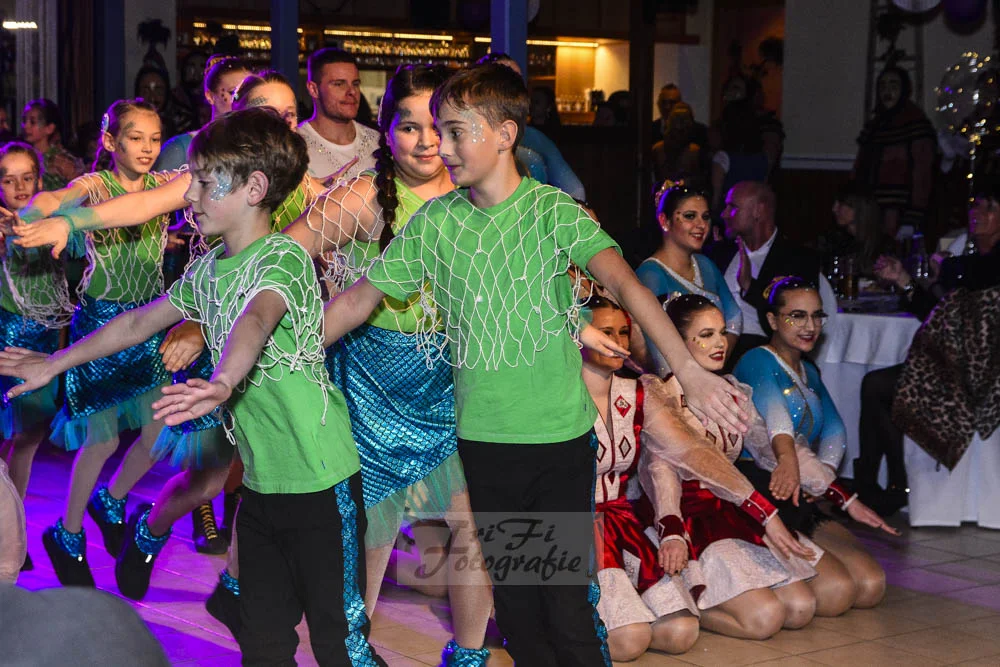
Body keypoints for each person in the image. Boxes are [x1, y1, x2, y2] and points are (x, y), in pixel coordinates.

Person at [320, 62, 749, 666]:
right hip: (484, 445)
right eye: (436, 131)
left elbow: (629, 288)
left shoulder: (552, 212)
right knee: (520, 616)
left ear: (505, 134)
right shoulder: (438, 223)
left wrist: (691, 369)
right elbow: (358, 300)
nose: (441, 146)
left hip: (556, 445)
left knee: (566, 613)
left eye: (454, 131)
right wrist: (281, 352)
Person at [0, 107, 385, 665]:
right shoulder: (208, 271)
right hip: (262, 489)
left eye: (205, 182)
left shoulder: (282, 258)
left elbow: (257, 318)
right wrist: (55, 363)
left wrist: (224, 379)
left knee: (340, 644)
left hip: (323, 485)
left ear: (254, 188)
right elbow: (137, 323)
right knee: (263, 643)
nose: (191, 194)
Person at [285, 63, 494, 664]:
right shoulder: (363, 198)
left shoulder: (477, 195)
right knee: (373, 530)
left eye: (438, 128)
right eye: (408, 127)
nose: (426, 142)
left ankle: (469, 654)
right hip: (374, 385)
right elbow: (280, 258)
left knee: (477, 523)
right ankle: (353, 648)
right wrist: (205, 317)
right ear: (386, 132)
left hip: (456, 380)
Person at [11, 99, 177, 588]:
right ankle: (67, 532)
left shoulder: (165, 187)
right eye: (135, 138)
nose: (147, 148)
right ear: (110, 141)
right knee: (101, 439)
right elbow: (56, 198)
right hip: (102, 327)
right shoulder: (95, 186)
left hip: (149, 325)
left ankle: (112, 498)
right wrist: (28, 213)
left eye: (154, 139)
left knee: (159, 434)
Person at [734, 277, 894, 615]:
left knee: (871, 584)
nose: (810, 326)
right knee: (837, 593)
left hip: (801, 485)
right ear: (772, 320)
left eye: (816, 316)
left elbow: (835, 430)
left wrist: (822, 480)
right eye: (797, 316)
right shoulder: (756, 361)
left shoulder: (808, 371)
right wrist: (795, 466)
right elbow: (778, 422)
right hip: (763, 487)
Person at [858, 186, 1000, 514]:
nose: (977, 213)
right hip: (952, 364)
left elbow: (969, 300)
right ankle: (883, 482)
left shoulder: (979, 266)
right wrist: (903, 279)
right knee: (876, 384)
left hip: (985, 376)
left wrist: (946, 274)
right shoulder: (965, 264)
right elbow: (937, 313)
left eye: (989, 208)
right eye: (975, 206)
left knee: (880, 386)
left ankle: (892, 484)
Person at [0, 143, 73, 572]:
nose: (19, 187)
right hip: (9, 344)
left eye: (27, 177)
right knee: (9, 436)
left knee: (28, 440)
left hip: (45, 344)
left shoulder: (51, 225)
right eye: (8, 180)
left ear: (40, 181)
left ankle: (15, 531)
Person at [636, 183, 742, 375]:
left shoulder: (705, 265)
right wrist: (691, 376)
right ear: (664, 221)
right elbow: (653, 347)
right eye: (690, 216)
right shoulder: (650, 275)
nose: (701, 225)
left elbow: (735, 316)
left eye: (705, 217)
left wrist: (715, 355)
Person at [720, 181, 828, 365]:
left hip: (767, 353)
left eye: (733, 207)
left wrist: (750, 287)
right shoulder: (719, 252)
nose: (724, 214)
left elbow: (800, 317)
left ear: (758, 210)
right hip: (716, 345)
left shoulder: (799, 258)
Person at [478, 52, 587, 201]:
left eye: (518, 80)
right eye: (504, 80)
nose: (515, 87)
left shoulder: (533, 138)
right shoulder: (468, 139)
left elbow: (575, 191)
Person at [854, 66, 935, 239]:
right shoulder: (874, 126)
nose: (887, 91)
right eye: (882, 86)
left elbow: (922, 173)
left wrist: (913, 216)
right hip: (870, 209)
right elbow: (859, 168)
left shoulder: (915, 123)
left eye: (893, 85)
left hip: (901, 212)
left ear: (904, 89)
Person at [154, 56, 251, 172]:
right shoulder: (182, 148)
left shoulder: (255, 148)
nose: (242, 100)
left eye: (248, 92)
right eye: (233, 93)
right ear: (210, 96)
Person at [298, 48, 380, 185]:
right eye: (339, 84)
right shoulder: (295, 146)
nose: (351, 91)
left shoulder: (377, 143)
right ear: (314, 89)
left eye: (355, 84)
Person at [710, 100, 769, 214]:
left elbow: (716, 198)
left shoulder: (723, 157)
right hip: (754, 215)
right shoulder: (762, 158)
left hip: (729, 216)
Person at [820, 182, 886, 277]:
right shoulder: (833, 241)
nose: (834, 209)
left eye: (840, 204)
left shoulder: (882, 245)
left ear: (858, 207)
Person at [20, 99, 83, 191]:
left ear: (49, 128)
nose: (25, 126)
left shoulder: (61, 159)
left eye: (32, 122)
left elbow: (81, 188)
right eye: (24, 121)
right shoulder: (22, 155)